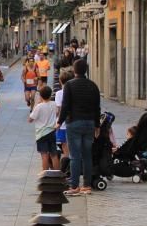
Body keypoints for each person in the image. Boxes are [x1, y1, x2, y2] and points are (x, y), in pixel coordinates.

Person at [58, 59, 102, 196]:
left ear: (75, 71)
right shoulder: (93, 86)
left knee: (75, 156)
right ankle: (87, 186)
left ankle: (75, 186)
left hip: (74, 123)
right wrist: (97, 125)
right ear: (86, 70)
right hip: (89, 123)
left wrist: (59, 122)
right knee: (87, 155)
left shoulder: (69, 85)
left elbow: (65, 106)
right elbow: (97, 107)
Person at [29, 86, 61, 171]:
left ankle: (45, 175)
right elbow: (57, 113)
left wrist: (36, 104)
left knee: (44, 156)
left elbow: (30, 119)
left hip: (42, 134)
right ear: (50, 95)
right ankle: (57, 174)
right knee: (54, 155)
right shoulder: (54, 104)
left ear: (41, 96)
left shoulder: (39, 107)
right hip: (52, 132)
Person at [54, 70, 73, 158]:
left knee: (64, 145)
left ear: (60, 81)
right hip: (72, 121)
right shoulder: (74, 92)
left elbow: (58, 109)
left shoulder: (58, 93)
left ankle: (67, 162)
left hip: (62, 124)